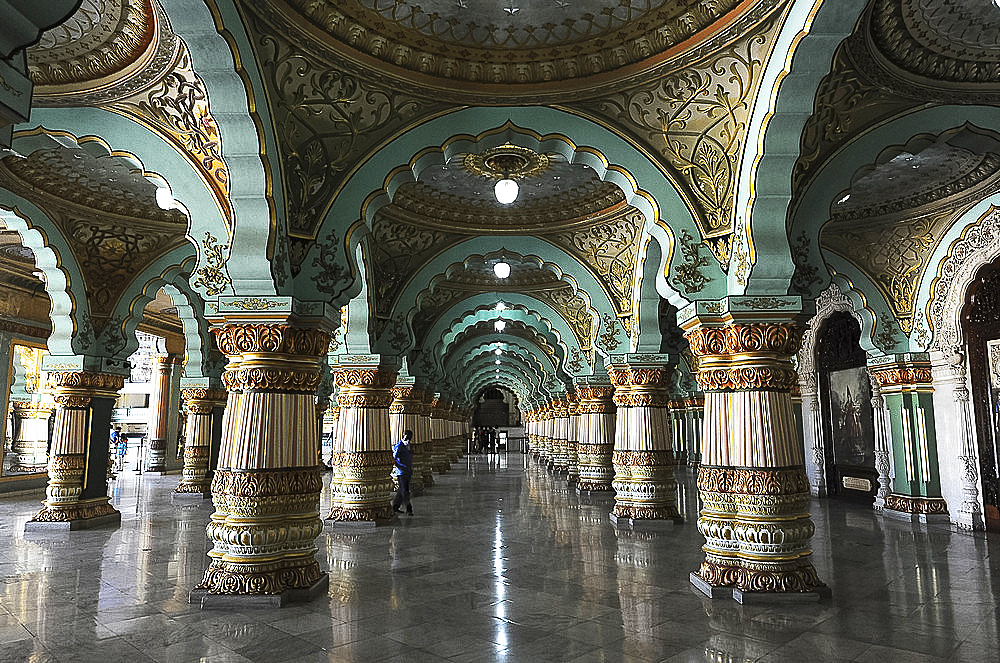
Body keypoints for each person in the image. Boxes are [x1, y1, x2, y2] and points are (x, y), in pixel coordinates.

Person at [391, 429, 414, 515]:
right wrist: (399, 467)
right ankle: (409, 509)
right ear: (403, 436)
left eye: (409, 437)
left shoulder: (409, 446)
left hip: (408, 471)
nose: (408, 438)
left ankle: (395, 507)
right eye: (407, 436)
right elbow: (394, 458)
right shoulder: (399, 446)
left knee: (401, 490)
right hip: (401, 472)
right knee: (405, 490)